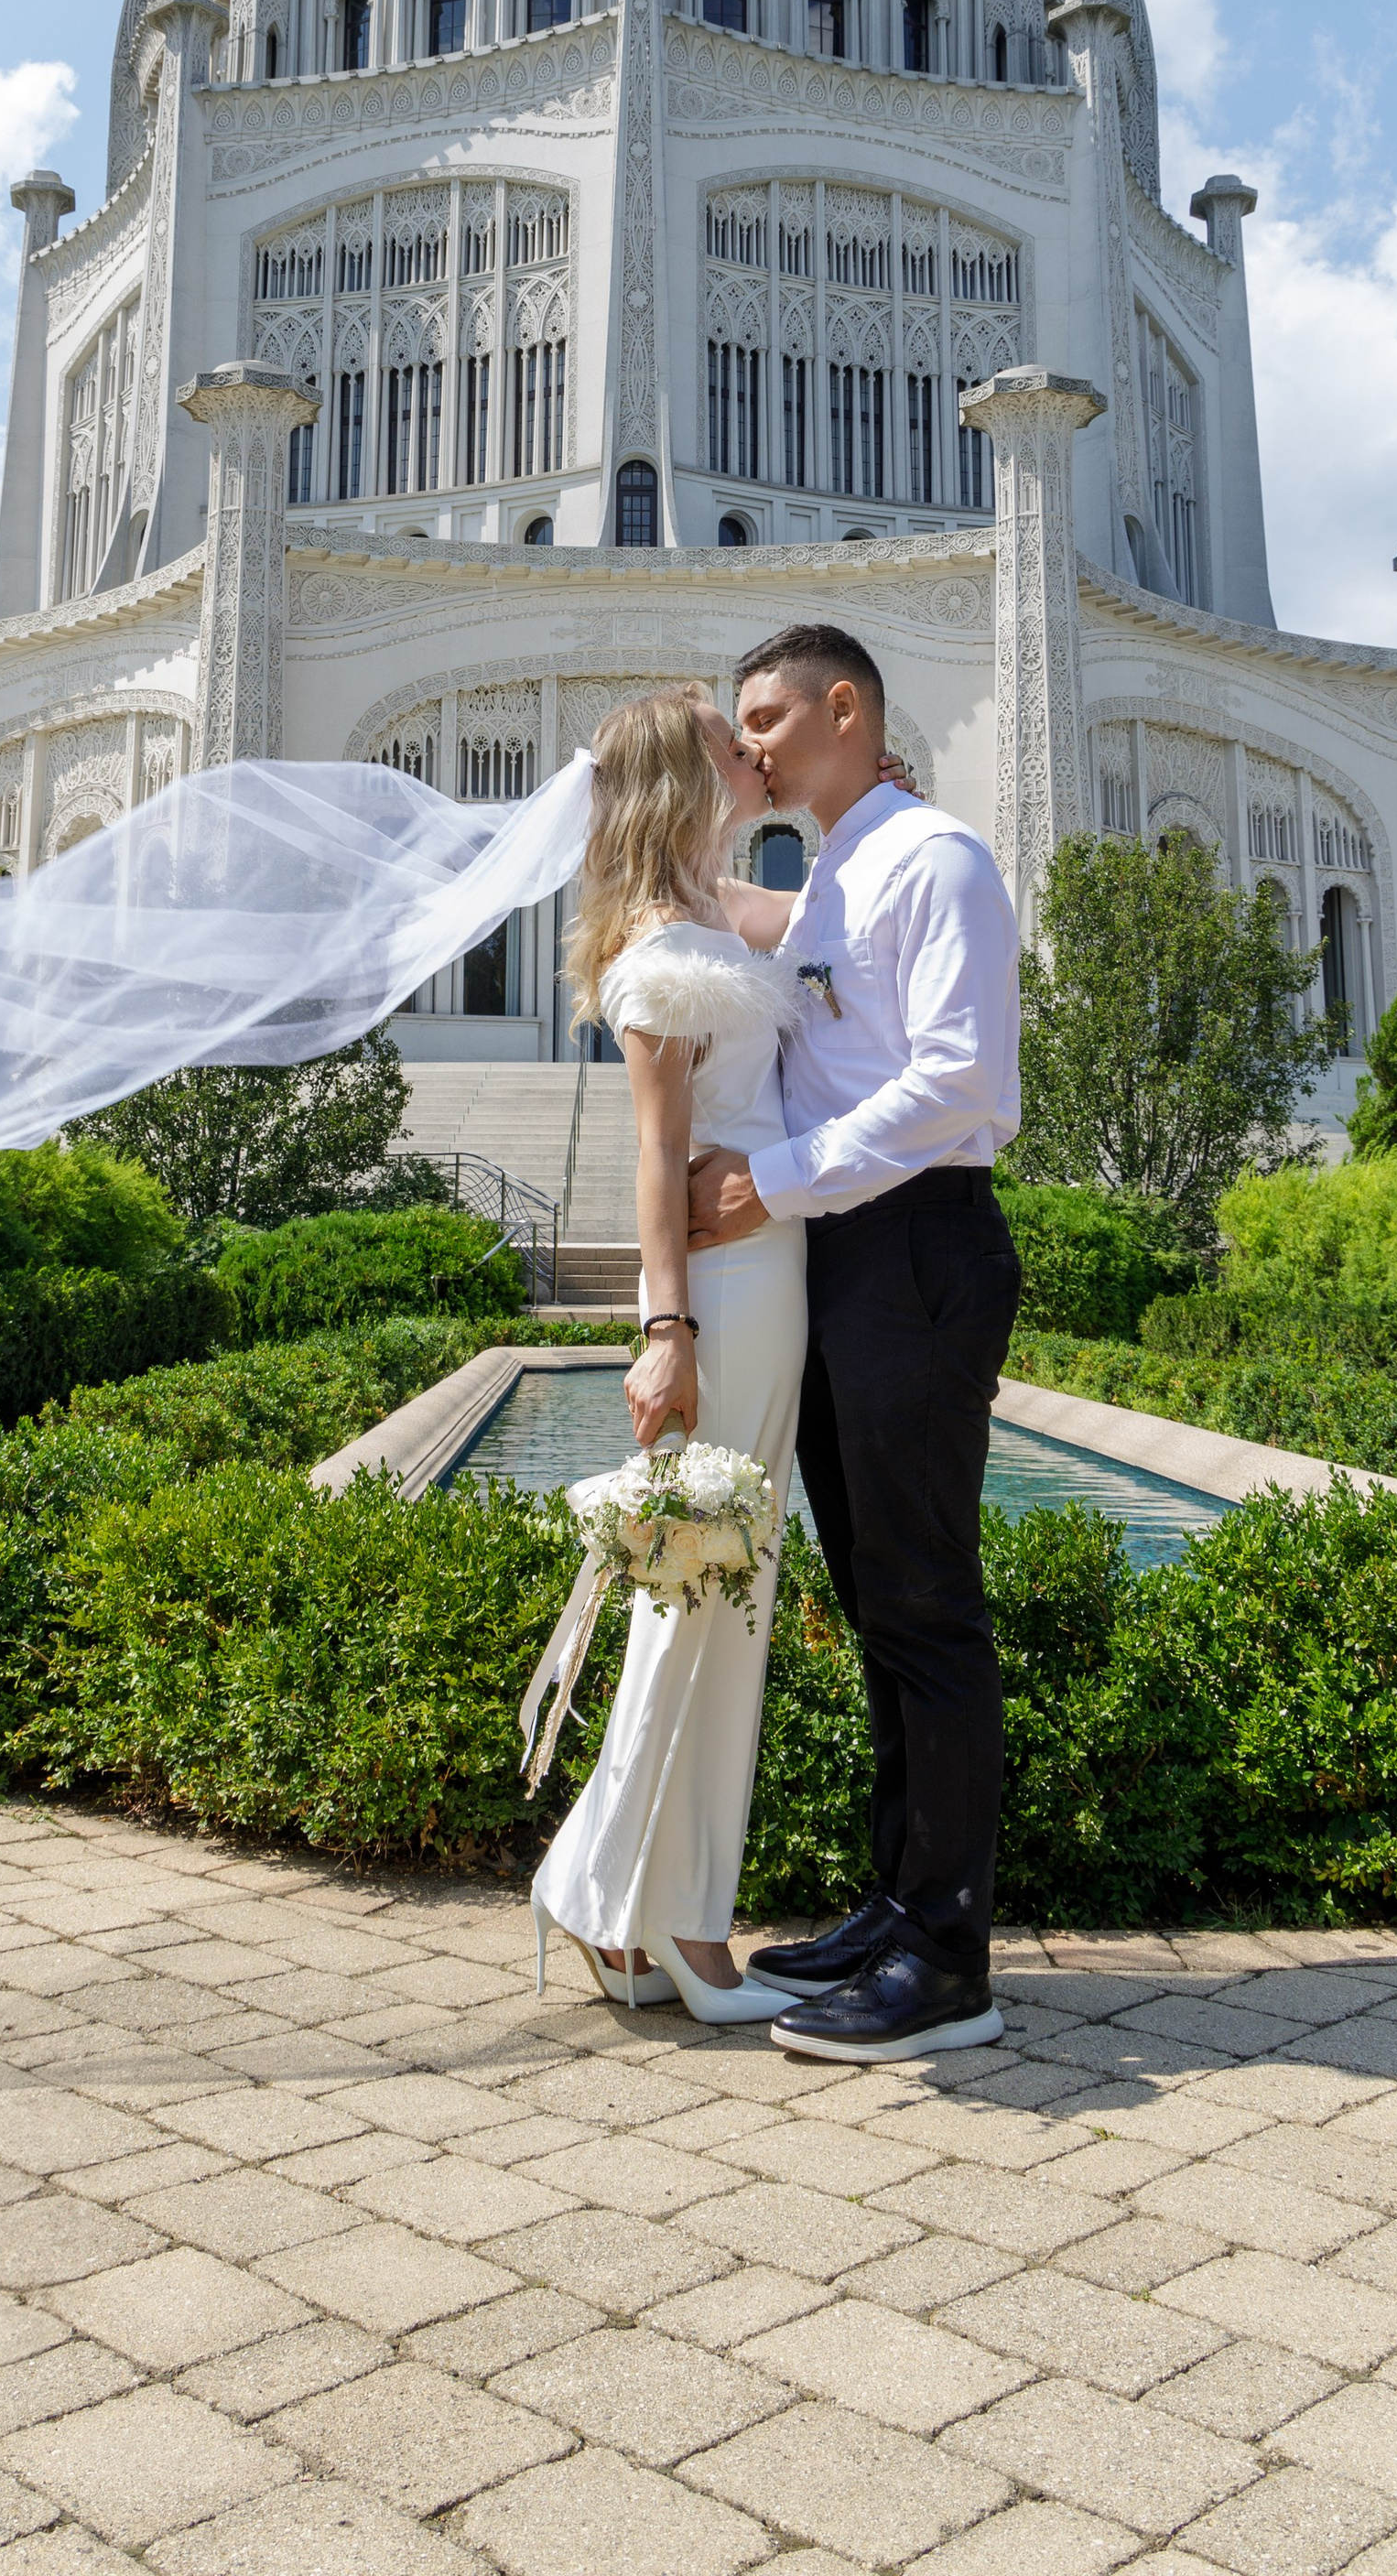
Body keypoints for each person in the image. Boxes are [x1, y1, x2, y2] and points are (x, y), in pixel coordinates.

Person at [688, 622, 1022, 2065]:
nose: (750, 743)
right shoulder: (833, 871)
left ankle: (948, 1962)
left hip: (920, 1245)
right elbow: (738, 917)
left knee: (928, 1605)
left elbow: (958, 1082)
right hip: (848, 1255)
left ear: (844, 709)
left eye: (765, 719)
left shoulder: (935, 861)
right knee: (882, 1604)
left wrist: (769, 1181)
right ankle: (896, 1907)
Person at [528, 687, 817, 2028]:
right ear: (678, 778)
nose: (748, 752)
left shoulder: (714, 908)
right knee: (705, 1592)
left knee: (722, 1596)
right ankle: (664, 1917)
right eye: (723, 739)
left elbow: (829, 919)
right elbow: (655, 1158)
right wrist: (665, 1331)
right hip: (729, 1294)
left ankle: (628, 1903)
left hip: (772, 1273)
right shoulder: (663, 949)